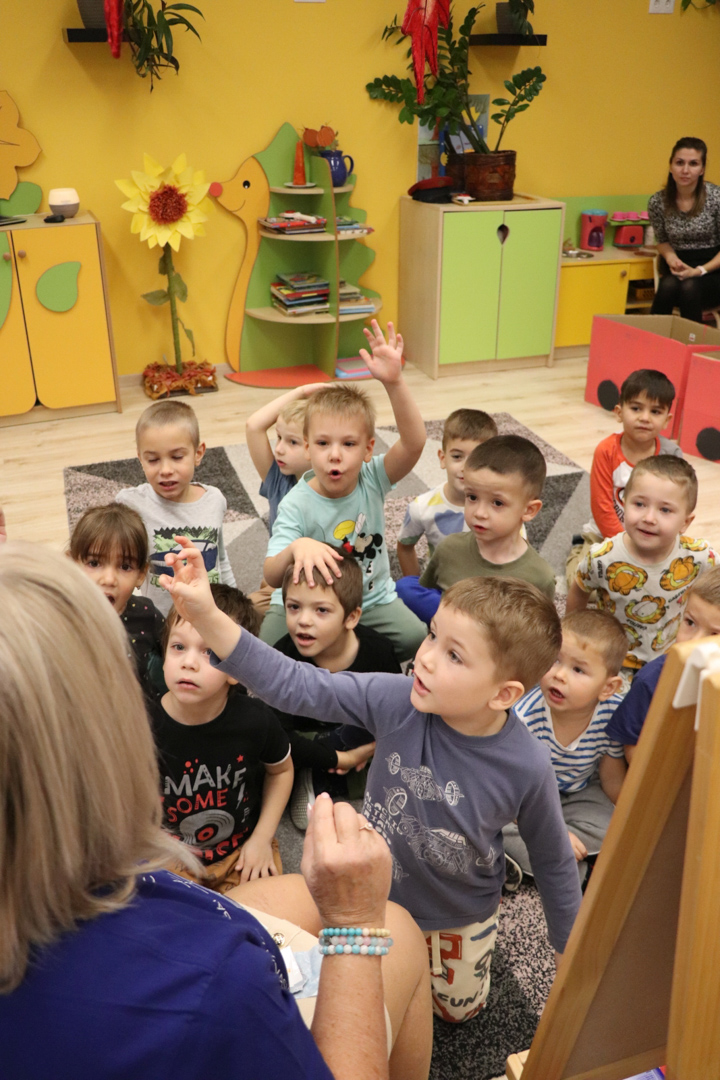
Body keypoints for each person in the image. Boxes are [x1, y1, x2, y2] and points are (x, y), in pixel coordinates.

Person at [0, 544, 433, 1080]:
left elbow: (281, 761)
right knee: (398, 931)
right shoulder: (216, 981)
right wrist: (355, 925)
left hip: (155, 892)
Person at [161, 537, 582, 1024]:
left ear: (503, 694)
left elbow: (554, 862)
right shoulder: (396, 697)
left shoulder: (527, 765)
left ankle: (497, 859)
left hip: (458, 911)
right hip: (373, 891)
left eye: (454, 656)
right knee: (363, 994)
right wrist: (207, 615)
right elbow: (294, 683)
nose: (425, 658)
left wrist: (568, 951)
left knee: (457, 1015)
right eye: (432, 636)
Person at [259, 320, 428, 661]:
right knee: (268, 654)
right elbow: (272, 575)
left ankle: (342, 647)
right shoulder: (296, 503)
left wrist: (394, 382)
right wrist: (297, 547)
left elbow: (414, 443)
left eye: (348, 444)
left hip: (370, 599)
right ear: (308, 448)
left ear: (368, 449)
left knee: (415, 638)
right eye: (323, 443)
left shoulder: (372, 477)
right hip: (308, 604)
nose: (335, 454)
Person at [153, 583, 293, 888]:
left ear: (236, 670)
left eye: (209, 652)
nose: (188, 662)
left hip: (240, 854)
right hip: (167, 856)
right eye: (178, 647)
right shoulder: (140, 723)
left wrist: (261, 838)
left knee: (277, 908)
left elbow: (281, 771)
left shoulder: (256, 721)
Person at [275, 549, 399, 830]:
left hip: (358, 733)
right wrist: (341, 758)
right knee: (271, 751)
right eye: (294, 607)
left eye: (321, 610)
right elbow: (277, 736)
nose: (304, 620)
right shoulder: (282, 658)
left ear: (351, 617)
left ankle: (336, 774)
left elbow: (395, 711)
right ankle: (314, 775)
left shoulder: (378, 650)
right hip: (308, 738)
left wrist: (371, 749)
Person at [503, 610, 627, 887]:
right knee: (486, 814)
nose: (559, 675)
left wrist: (632, 815)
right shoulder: (525, 715)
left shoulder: (613, 714)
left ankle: (547, 856)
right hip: (522, 796)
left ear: (608, 688)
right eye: (555, 660)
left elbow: (611, 776)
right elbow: (511, 785)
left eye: (578, 670)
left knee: (614, 826)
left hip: (577, 791)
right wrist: (554, 833)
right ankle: (549, 857)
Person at [568, 456, 717, 676]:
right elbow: (579, 588)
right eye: (639, 504)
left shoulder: (700, 557)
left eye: (665, 510)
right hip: (611, 657)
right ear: (624, 503)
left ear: (685, 522)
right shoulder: (602, 557)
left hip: (671, 655)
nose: (649, 518)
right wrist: (573, 634)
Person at [400, 435, 555, 625]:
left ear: (529, 510)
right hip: (444, 637)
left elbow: (539, 635)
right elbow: (426, 598)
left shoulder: (540, 577)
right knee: (404, 588)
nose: (479, 513)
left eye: (497, 503)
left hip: (500, 644)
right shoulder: (449, 549)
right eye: (472, 497)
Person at [116, 398, 236, 616]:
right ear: (140, 459)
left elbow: (220, 559)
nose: (166, 470)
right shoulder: (130, 504)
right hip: (158, 620)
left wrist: (235, 603)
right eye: (153, 460)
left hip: (209, 614)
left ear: (198, 453)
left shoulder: (214, 500)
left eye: (177, 457)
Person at [566, 370, 683, 585]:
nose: (645, 418)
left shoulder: (672, 454)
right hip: (605, 535)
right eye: (636, 408)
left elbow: (678, 503)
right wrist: (627, 547)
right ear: (619, 412)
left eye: (655, 411)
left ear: (667, 420)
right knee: (584, 584)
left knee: (667, 585)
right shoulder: (606, 451)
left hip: (653, 537)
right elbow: (602, 507)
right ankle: (579, 549)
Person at [606, 566, 720, 763]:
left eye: (715, 634)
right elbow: (631, 748)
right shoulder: (651, 680)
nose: (694, 642)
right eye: (690, 622)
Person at [245, 382, 327, 617]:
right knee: (247, 611)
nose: (279, 449)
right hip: (285, 576)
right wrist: (301, 392)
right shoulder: (278, 480)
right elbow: (254, 426)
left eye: (292, 442)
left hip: (327, 579)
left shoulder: (336, 485)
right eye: (279, 437)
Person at [69, 503, 166, 697]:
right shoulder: (60, 618)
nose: (109, 579)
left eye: (125, 567)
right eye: (94, 563)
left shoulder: (148, 615)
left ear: (141, 575)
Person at [396, 407, 498, 578]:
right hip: (439, 586)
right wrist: (416, 585)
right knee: (405, 588)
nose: (466, 467)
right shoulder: (422, 507)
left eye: (477, 459)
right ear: (443, 458)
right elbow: (405, 547)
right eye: (457, 457)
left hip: (485, 588)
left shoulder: (502, 506)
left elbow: (520, 551)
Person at [648, 137, 720, 323]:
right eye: (679, 163)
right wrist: (671, 258)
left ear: (702, 169)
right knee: (668, 286)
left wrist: (699, 271)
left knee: (689, 287)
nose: (685, 170)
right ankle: (653, 338)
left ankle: (690, 340)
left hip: (712, 271)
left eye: (693, 163)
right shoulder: (657, 202)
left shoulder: (716, 198)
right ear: (671, 166)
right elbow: (662, 240)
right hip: (678, 268)